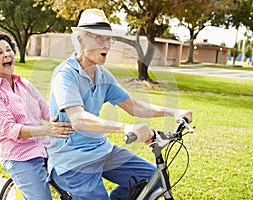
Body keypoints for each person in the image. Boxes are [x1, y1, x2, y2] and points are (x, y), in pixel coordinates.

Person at [47, 8, 192, 200]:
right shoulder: (65, 75)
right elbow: (78, 119)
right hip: (72, 160)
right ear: (80, 39)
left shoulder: (102, 75)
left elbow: (133, 106)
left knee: (154, 178)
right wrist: (126, 127)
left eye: (109, 39)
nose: (106, 44)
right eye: (99, 38)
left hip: (101, 150)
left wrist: (172, 111)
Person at [0, 31, 73, 200]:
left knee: (80, 184)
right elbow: (10, 129)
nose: (7, 54)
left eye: (8, 50)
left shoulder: (24, 84)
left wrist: (72, 119)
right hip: (20, 156)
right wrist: (46, 130)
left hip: (46, 148)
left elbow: (47, 110)